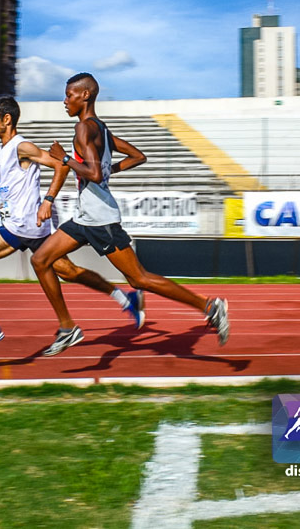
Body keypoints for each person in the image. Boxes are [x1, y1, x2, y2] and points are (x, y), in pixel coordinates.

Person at [30, 73, 229, 356]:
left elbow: (95, 174)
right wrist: (104, 170)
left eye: (69, 95)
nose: (65, 101)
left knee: (139, 279)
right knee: (40, 259)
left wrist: (65, 159)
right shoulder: (102, 129)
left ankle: (209, 306)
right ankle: (67, 329)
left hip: (101, 220)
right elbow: (138, 156)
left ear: (85, 95)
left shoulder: (85, 129)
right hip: (84, 218)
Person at [0, 95, 144, 347]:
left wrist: (48, 200)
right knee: (69, 271)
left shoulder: (21, 146)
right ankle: (125, 299)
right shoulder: (7, 149)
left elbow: (61, 166)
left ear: (7, 119)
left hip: (21, 225)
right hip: (33, 226)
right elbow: (9, 184)